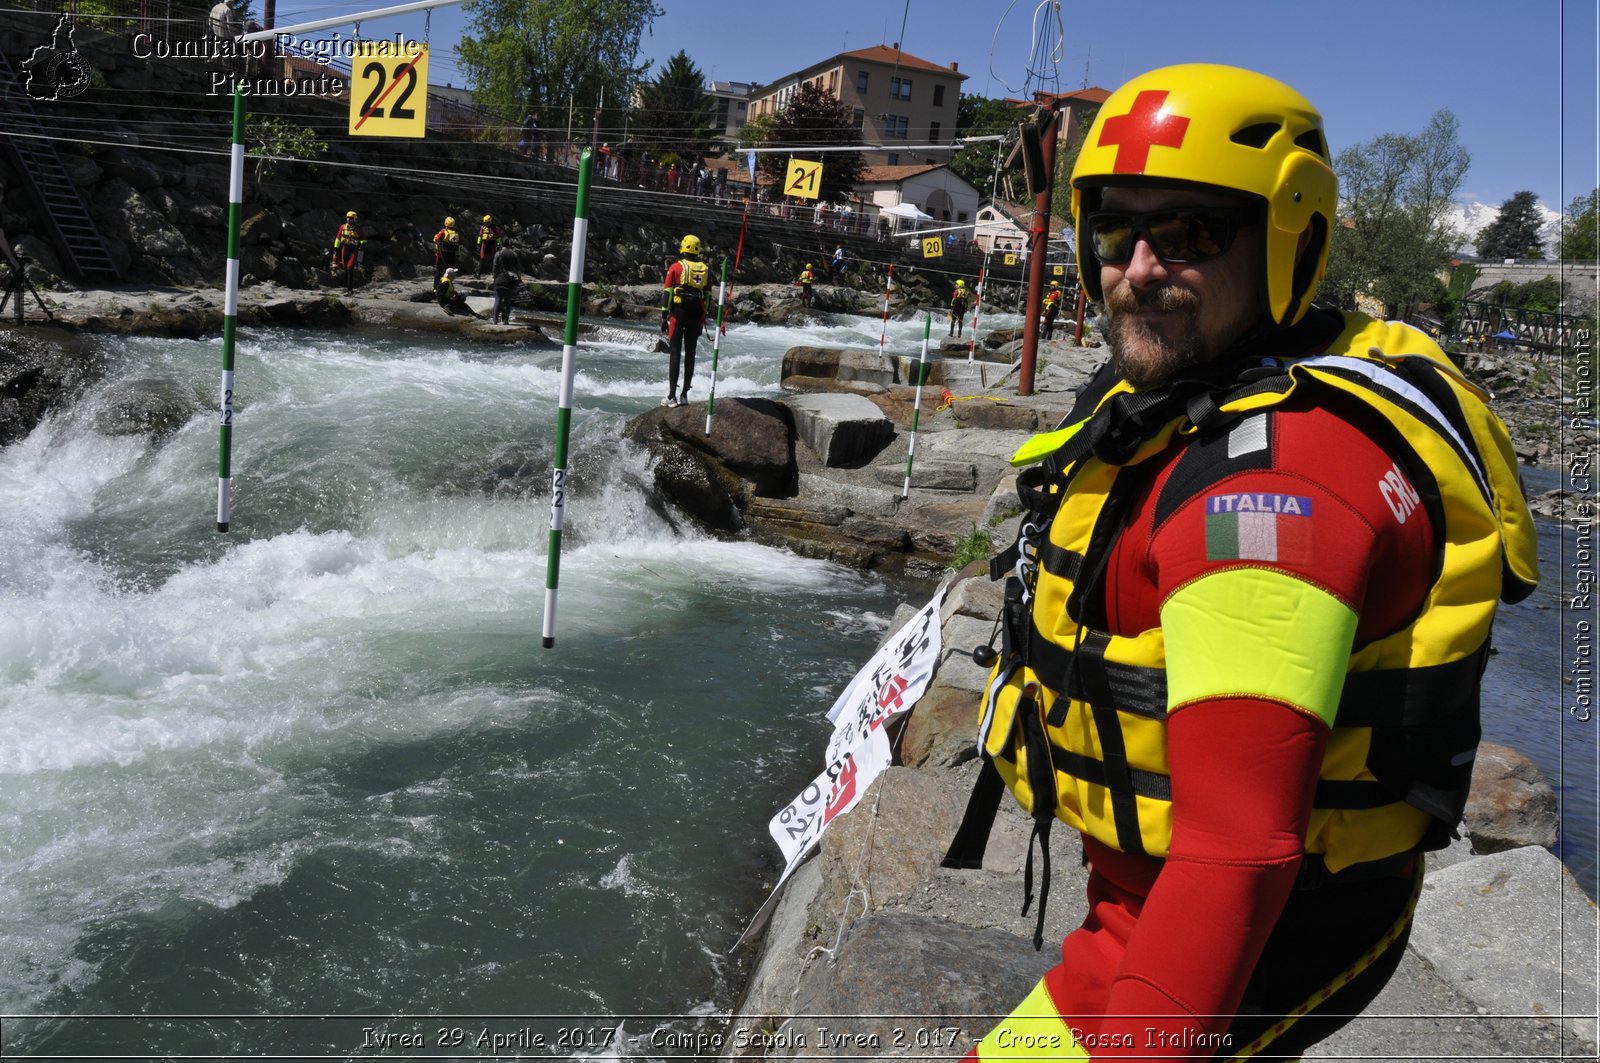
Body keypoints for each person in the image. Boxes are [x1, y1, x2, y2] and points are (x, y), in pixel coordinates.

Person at [956, 63, 1539, 1061]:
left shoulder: (1270, 501)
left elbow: (1236, 854)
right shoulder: (1204, 383)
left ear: (1293, 236)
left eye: (1190, 233)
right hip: (1132, 911)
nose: (1138, 267)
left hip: (1249, 945)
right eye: (1114, 231)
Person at [660, 234, 710, 407]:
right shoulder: (705, 270)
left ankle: (671, 396)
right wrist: (705, 316)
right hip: (696, 316)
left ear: (683, 248)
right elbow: (708, 297)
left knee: (675, 353)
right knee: (690, 355)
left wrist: (663, 316)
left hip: (678, 315)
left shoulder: (675, 267)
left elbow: (667, 293)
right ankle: (685, 395)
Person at [330, 210, 364, 293]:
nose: (348, 219)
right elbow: (338, 239)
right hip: (345, 249)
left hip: (354, 250)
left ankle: (350, 289)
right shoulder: (342, 227)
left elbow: (364, 241)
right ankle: (346, 288)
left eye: (351, 218)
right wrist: (335, 249)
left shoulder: (359, 229)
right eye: (348, 218)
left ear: (354, 219)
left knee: (350, 268)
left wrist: (359, 243)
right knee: (345, 268)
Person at [490, 246, 521, 325]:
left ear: (501, 245)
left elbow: (494, 267)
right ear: (509, 245)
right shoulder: (514, 254)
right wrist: (519, 279)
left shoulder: (498, 253)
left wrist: (494, 277)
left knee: (498, 299)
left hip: (499, 278)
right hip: (510, 280)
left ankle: (495, 320)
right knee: (507, 301)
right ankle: (505, 321)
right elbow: (518, 269)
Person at [433, 216, 461, 291]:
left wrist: (435, 237)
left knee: (439, 271)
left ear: (446, 223)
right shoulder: (456, 233)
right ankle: (447, 288)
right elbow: (459, 244)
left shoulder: (443, 232)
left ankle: (435, 288)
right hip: (452, 256)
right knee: (449, 272)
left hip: (442, 255)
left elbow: (436, 240)